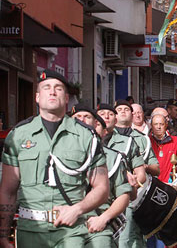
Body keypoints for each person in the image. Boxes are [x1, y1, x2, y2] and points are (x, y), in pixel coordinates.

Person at [0, 70, 109, 248]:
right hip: (30, 230)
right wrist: (3, 235)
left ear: (66, 98)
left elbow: (102, 188)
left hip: (70, 230)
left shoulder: (86, 136)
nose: (52, 92)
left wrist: (77, 209)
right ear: (37, 97)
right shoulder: (18, 135)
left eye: (58, 88)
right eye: (46, 88)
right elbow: (8, 190)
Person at [71, 105, 134, 247]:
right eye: (78, 117)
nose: (82, 121)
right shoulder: (55, 153)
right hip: (66, 225)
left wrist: (104, 218)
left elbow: (124, 195)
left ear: (96, 124)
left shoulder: (113, 157)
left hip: (98, 223)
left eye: (87, 117)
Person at [113, 100, 159, 248]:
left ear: (132, 115)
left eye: (126, 109)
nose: (123, 112)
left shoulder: (141, 139)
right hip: (115, 195)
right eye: (119, 109)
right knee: (121, 237)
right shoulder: (107, 138)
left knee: (138, 238)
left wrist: (143, 167)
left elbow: (156, 168)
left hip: (138, 194)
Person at [149, 114, 177, 183]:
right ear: (151, 126)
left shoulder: (176, 141)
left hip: (170, 182)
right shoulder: (146, 141)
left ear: (166, 124)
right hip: (151, 183)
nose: (158, 127)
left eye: (161, 124)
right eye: (155, 124)